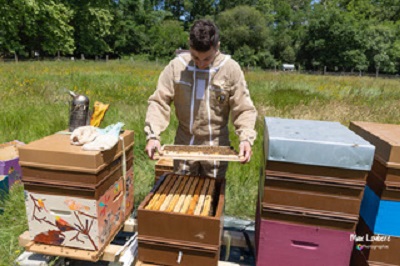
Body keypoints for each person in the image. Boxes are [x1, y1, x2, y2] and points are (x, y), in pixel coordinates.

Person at [144, 19, 257, 179]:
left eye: (207, 59)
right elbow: (159, 101)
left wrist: (246, 139)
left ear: (217, 47)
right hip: (184, 140)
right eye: (196, 58)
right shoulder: (177, 67)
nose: (201, 64)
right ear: (190, 47)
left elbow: (243, 107)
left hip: (216, 142)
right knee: (183, 191)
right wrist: (153, 135)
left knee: (213, 194)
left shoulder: (231, 68)